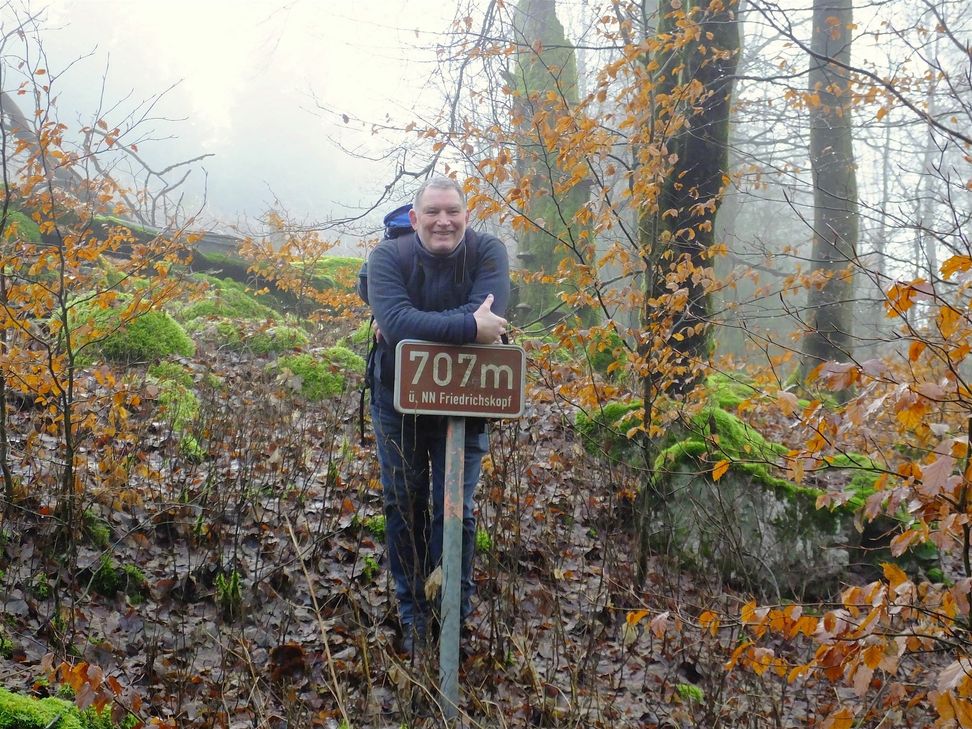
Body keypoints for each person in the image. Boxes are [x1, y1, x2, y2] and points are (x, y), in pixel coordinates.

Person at [364, 176, 510, 656]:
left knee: (456, 514)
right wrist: (470, 324)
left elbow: (413, 323)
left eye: (453, 211)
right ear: (414, 218)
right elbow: (395, 320)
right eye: (433, 212)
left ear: (467, 216)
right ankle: (413, 614)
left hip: (468, 405)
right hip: (396, 403)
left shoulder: (489, 252)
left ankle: (453, 614)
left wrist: (416, 327)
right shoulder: (388, 258)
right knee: (404, 508)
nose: (443, 221)